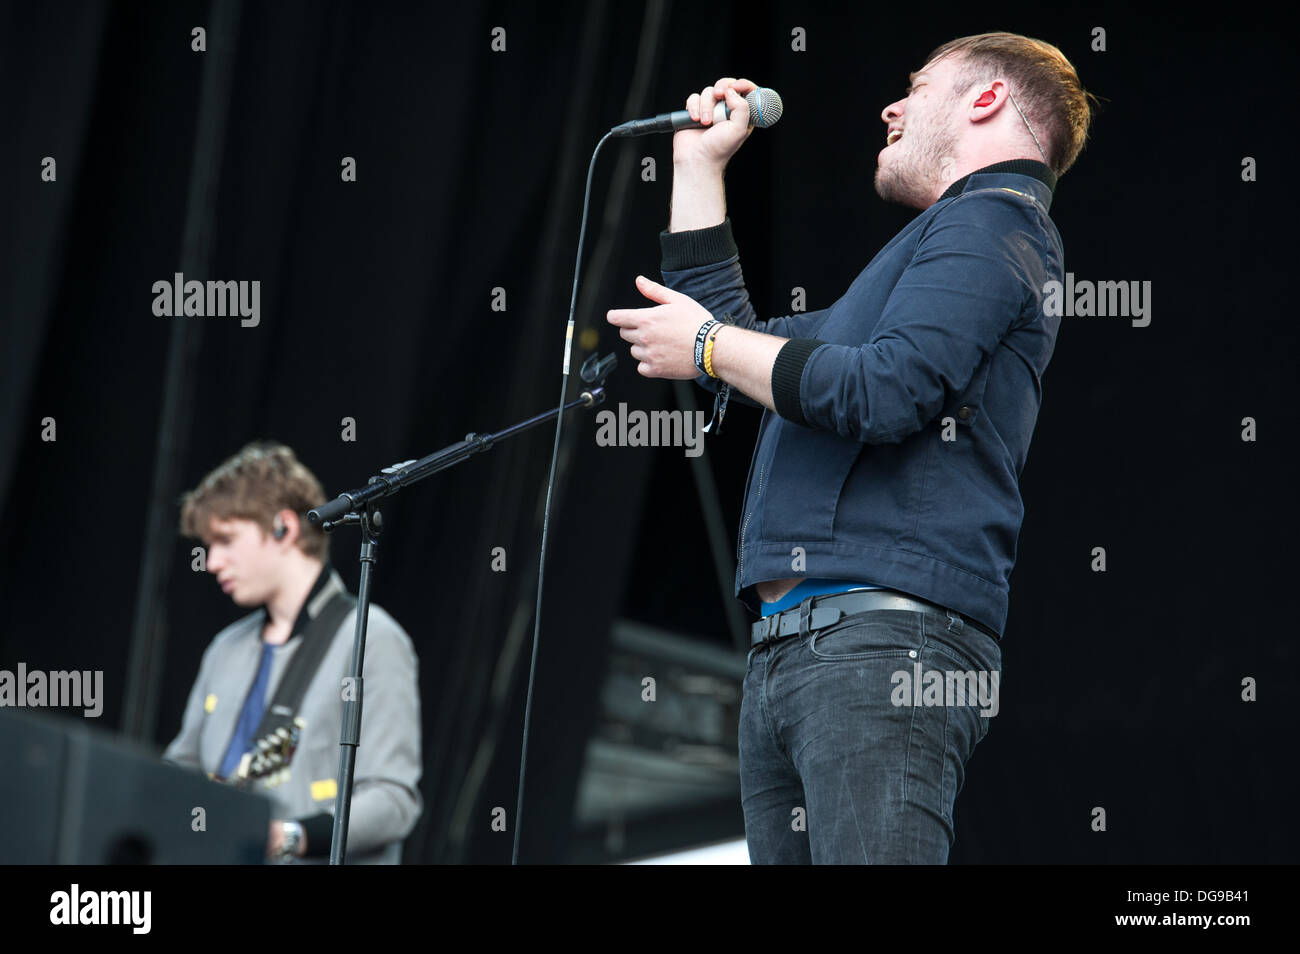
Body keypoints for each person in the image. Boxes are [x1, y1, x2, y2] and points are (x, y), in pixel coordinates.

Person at [606, 33, 1096, 863]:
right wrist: (697, 167)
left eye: (917, 85)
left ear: (985, 101)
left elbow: (883, 389)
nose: (891, 107)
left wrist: (708, 346)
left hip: (880, 650)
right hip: (800, 652)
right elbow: (747, 351)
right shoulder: (934, 251)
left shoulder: (995, 223)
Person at [163, 441, 422, 864]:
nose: (211, 562)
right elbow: (182, 770)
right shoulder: (225, 648)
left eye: (225, 540)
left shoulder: (372, 638)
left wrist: (289, 836)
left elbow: (394, 801)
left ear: (284, 528)